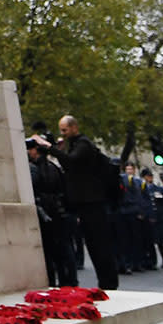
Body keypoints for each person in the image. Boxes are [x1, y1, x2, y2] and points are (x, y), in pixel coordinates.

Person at [54, 116, 121, 290]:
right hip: (85, 202)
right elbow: (70, 167)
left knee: (100, 244)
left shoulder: (84, 144)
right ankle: (105, 281)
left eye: (65, 130)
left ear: (74, 127)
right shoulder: (75, 145)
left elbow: (72, 162)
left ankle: (109, 282)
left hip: (93, 201)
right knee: (93, 243)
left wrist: (51, 150)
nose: (63, 134)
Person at [25, 136, 75, 287]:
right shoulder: (54, 167)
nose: (28, 152)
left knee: (51, 252)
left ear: (36, 151)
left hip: (48, 213)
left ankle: (57, 281)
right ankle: (67, 280)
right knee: (63, 250)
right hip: (58, 212)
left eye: (31, 149)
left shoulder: (35, 169)